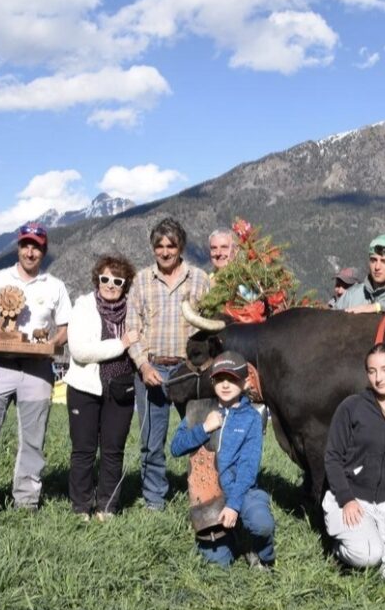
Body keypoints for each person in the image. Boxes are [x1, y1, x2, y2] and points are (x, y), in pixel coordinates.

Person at [0, 222, 71, 512]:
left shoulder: (55, 286)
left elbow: (64, 328)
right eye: (25, 245)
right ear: (18, 247)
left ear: (44, 251)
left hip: (38, 371)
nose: (30, 251)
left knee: (34, 440)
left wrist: (52, 344)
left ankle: (26, 501)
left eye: (36, 246)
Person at [127, 217, 211, 510]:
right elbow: (131, 328)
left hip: (189, 371)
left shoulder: (200, 279)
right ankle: (154, 500)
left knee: (200, 437)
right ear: (153, 248)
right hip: (152, 370)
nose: (164, 252)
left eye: (171, 246)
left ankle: (203, 496)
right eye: (159, 246)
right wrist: (142, 365)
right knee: (152, 441)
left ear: (181, 247)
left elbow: (211, 322)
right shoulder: (141, 280)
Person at [323, 342, 385, 579]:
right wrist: (346, 499)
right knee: (368, 555)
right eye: (372, 371)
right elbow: (332, 457)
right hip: (352, 496)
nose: (379, 378)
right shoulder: (352, 407)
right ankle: (339, 551)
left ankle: (377, 536)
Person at [170, 351, 276, 568]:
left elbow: (248, 467)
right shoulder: (197, 410)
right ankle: (235, 538)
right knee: (220, 564)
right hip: (209, 496)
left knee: (261, 523)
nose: (226, 385)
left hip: (242, 490)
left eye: (233, 379)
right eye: (220, 379)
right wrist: (204, 429)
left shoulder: (252, 418)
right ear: (212, 381)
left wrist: (234, 505)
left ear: (245, 382)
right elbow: (175, 448)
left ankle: (262, 553)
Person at [64, 255, 139, 520]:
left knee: (113, 450)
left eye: (117, 281)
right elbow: (80, 351)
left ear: (125, 284)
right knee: (83, 450)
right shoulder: (83, 306)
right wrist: (121, 344)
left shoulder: (133, 308)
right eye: (105, 278)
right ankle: (81, 506)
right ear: (97, 279)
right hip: (84, 388)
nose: (110, 285)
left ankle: (107, 506)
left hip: (121, 390)